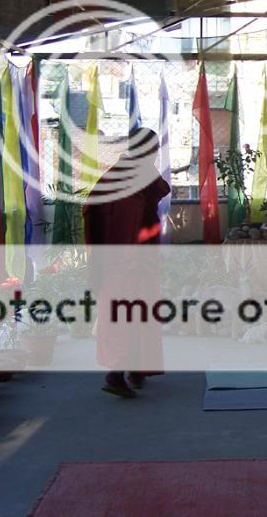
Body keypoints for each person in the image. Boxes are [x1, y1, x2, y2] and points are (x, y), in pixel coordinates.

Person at [83, 128, 170, 399]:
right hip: (133, 261)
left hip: (112, 260)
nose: (154, 155)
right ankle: (117, 372)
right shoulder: (136, 177)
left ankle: (134, 368)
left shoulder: (114, 175)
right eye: (153, 150)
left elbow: (90, 210)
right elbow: (137, 216)